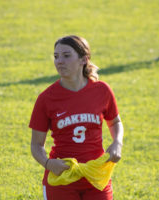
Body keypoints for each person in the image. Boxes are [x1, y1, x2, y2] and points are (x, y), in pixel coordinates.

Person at [29, 35, 124, 200]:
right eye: (56, 56)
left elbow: (115, 121)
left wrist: (117, 142)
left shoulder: (102, 90)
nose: (59, 61)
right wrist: (48, 163)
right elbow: (36, 145)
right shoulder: (46, 98)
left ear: (83, 59)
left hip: (95, 175)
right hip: (62, 177)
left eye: (66, 56)